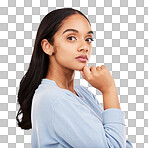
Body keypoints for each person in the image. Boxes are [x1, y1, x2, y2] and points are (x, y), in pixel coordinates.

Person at [16, 8, 133, 148]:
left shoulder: (82, 93)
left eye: (88, 39)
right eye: (71, 38)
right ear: (48, 46)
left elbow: (121, 141)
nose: (84, 47)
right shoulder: (55, 98)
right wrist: (109, 90)